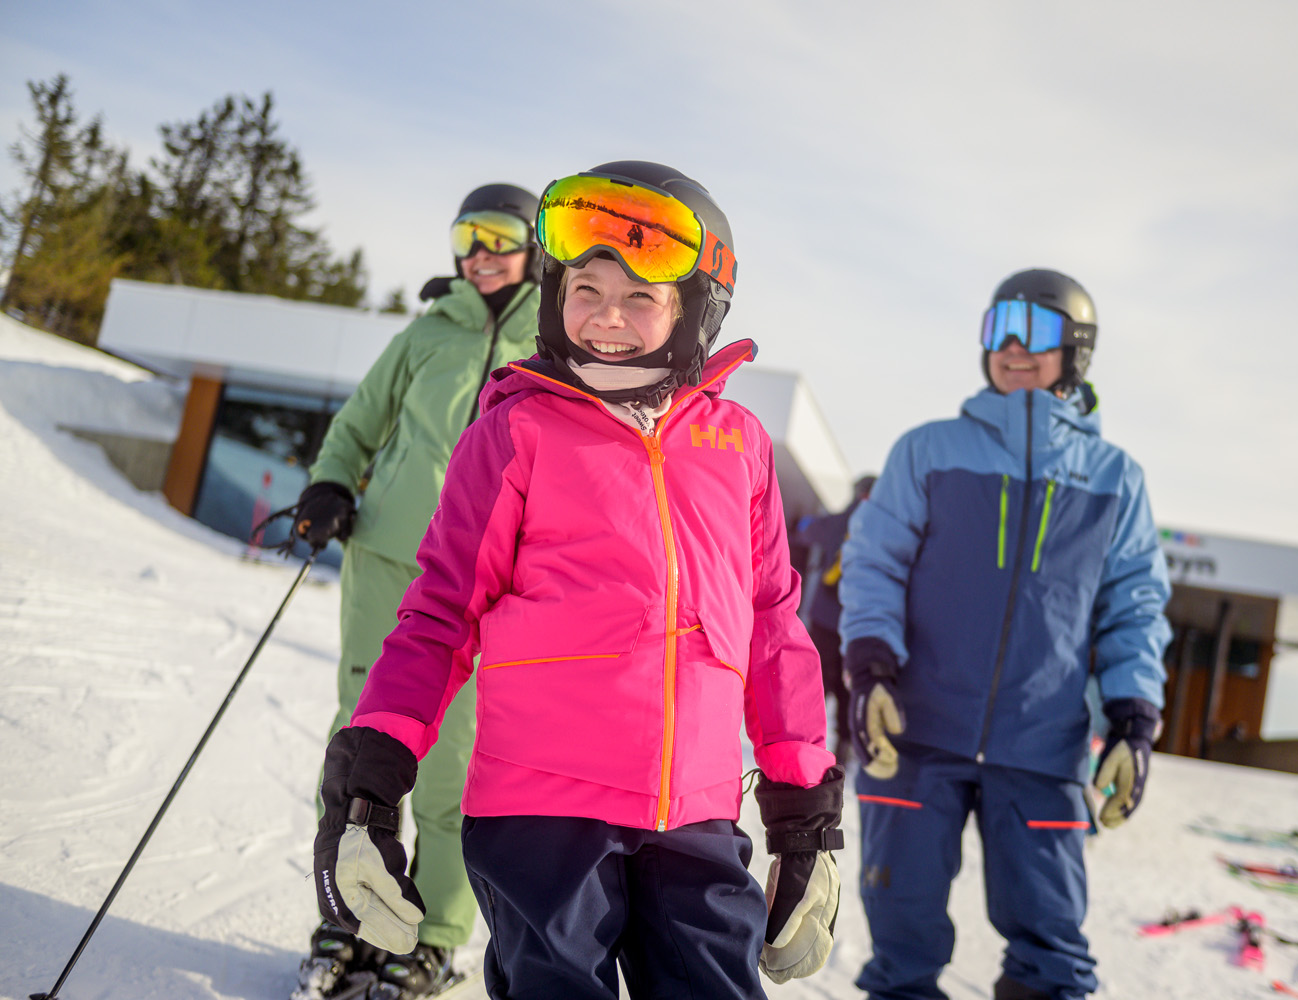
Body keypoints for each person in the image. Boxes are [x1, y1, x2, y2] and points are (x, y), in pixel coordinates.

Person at [309, 162, 846, 999]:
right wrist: (370, 778)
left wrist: (803, 813)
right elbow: (442, 613)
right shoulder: (515, 431)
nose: (606, 316)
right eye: (586, 288)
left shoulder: (737, 445)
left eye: (640, 297)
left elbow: (772, 623)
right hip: (542, 816)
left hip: (696, 819)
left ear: (695, 307)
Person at [839, 268, 1172, 1000]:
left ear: (1076, 350)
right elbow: (873, 565)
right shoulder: (928, 450)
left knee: (1052, 952)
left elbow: (1135, 608)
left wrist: (1133, 722)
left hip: (1041, 745)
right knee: (901, 946)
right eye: (1000, 329)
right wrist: (871, 671)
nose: (1014, 347)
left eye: (1037, 331)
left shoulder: (1116, 478)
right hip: (916, 736)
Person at [287, 183, 543, 999]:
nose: (480, 254)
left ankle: (432, 933)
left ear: (535, 245)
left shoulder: (554, 339)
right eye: (467, 237)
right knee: (362, 739)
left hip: (486, 580)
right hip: (390, 558)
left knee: (454, 763)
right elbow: (360, 422)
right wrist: (332, 481)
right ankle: (348, 915)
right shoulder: (427, 331)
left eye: (498, 235)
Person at [791, 474, 876, 763]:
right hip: (857, 623)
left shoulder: (840, 520)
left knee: (815, 681)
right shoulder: (882, 529)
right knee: (847, 687)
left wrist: (801, 521)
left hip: (825, 620)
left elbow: (806, 531)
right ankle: (844, 747)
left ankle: (802, 738)